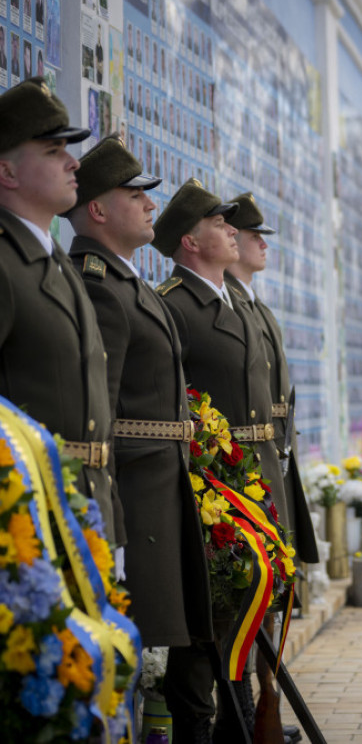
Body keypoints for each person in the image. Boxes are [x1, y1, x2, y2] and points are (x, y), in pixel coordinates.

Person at [65, 137, 213, 657]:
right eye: (135, 194)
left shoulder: (129, 283)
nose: (151, 204)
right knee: (143, 645)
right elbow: (97, 413)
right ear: (98, 210)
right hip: (133, 491)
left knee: (174, 637)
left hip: (160, 483)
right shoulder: (98, 285)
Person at [151, 179, 286, 743]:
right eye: (218, 224)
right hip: (212, 488)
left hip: (253, 478)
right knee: (207, 620)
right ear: (190, 241)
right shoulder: (174, 306)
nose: (233, 231)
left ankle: (238, 721)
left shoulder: (233, 301)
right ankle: (198, 728)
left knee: (243, 611)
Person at [0, 77, 124, 549]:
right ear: (7, 172)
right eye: (54, 151)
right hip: (26, 528)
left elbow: (98, 424)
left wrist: (113, 529)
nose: (74, 162)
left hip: (83, 516)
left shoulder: (58, 262)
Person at [224, 191, 317, 565]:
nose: (264, 244)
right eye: (254, 236)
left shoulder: (254, 304)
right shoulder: (231, 303)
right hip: (251, 446)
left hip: (275, 440)